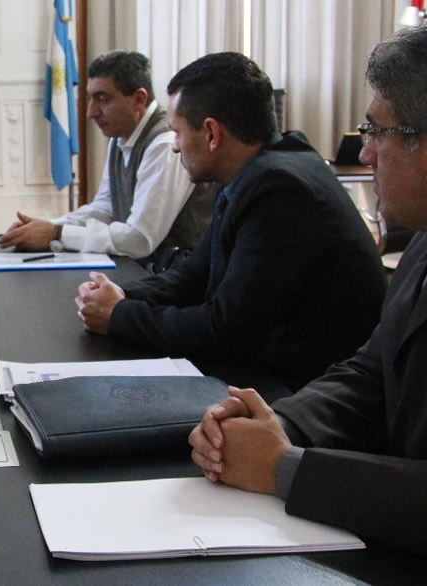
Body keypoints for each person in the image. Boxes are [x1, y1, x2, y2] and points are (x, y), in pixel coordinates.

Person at [188, 25, 427, 556]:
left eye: (376, 131)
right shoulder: (422, 246)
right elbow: (371, 373)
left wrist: (285, 468)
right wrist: (279, 423)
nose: (365, 155)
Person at [75, 52, 386, 391]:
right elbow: (194, 274)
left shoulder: (280, 190)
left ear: (211, 133)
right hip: (277, 369)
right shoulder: (259, 171)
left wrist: (120, 316)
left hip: (309, 389)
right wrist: (120, 294)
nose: (175, 147)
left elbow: (226, 330)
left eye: (177, 133)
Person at [0, 51, 213, 267]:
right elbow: (105, 209)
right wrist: (45, 227)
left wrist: (57, 233)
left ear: (139, 99)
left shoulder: (164, 144)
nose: (91, 112)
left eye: (103, 99)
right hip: (146, 272)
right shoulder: (121, 135)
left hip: (181, 279)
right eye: (91, 98)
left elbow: (139, 240)